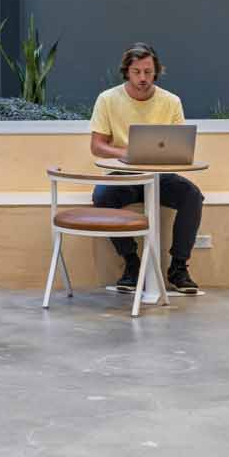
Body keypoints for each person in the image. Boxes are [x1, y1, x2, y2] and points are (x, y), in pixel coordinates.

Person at [88, 41, 201, 296]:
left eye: (148, 72)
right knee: (102, 198)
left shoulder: (171, 101)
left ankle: (178, 267)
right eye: (137, 72)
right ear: (127, 71)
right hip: (124, 175)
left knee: (192, 196)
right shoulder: (108, 99)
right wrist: (128, 154)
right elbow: (97, 146)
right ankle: (131, 263)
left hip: (160, 174)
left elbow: (179, 144)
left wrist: (168, 156)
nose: (143, 78)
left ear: (156, 71)